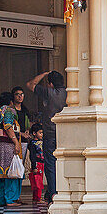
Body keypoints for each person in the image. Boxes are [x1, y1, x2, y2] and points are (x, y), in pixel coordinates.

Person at [27, 70, 66, 202]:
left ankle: (53, 192)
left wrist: (44, 74)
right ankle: (57, 192)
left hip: (50, 133)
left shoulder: (49, 92)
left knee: (50, 164)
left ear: (50, 84)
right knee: (65, 162)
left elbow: (30, 84)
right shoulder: (69, 94)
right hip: (65, 133)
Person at [0, 91, 24, 207]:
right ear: (11, 101)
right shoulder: (8, 111)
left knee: (3, 173)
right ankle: (10, 199)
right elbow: (8, 126)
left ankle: (3, 199)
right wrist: (16, 142)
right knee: (11, 172)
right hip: (8, 146)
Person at [25, 124, 45, 205]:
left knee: (38, 181)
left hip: (42, 163)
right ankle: (38, 198)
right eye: (40, 133)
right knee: (38, 182)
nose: (42, 134)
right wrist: (34, 166)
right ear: (34, 133)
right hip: (37, 164)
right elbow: (32, 155)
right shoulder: (32, 144)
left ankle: (36, 197)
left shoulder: (42, 142)